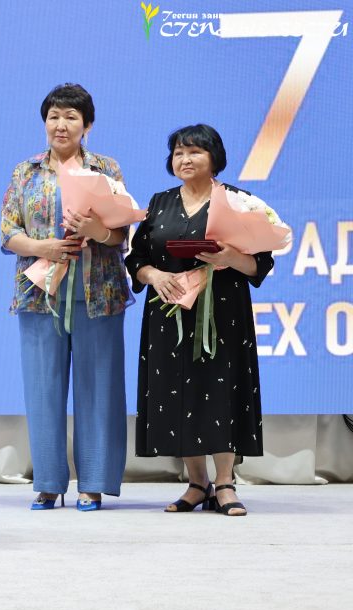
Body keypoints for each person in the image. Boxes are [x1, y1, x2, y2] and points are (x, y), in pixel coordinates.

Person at [125, 124, 272, 516]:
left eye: (194, 152)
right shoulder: (159, 202)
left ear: (214, 158)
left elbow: (260, 263)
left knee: (222, 391)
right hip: (169, 311)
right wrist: (155, 276)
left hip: (223, 313)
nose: (185, 159)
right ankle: (196, 484)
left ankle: (224, 483)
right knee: (177, 394)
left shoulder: (238, 202)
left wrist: (230, 258)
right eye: (178, 153)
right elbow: (136, 259)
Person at [0, 83, 133, 511]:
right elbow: (8, 232)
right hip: (40, 294)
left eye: (71, 117)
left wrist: (98, 232)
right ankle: (48, 482)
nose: (61, 124)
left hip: (99, 293)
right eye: (54, 116)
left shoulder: (106, 168)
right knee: (43, 390)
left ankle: (93, 483)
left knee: (99, 389)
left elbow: (123, 233)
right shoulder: (25, 172)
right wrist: (44, 247)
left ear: (87, 125)